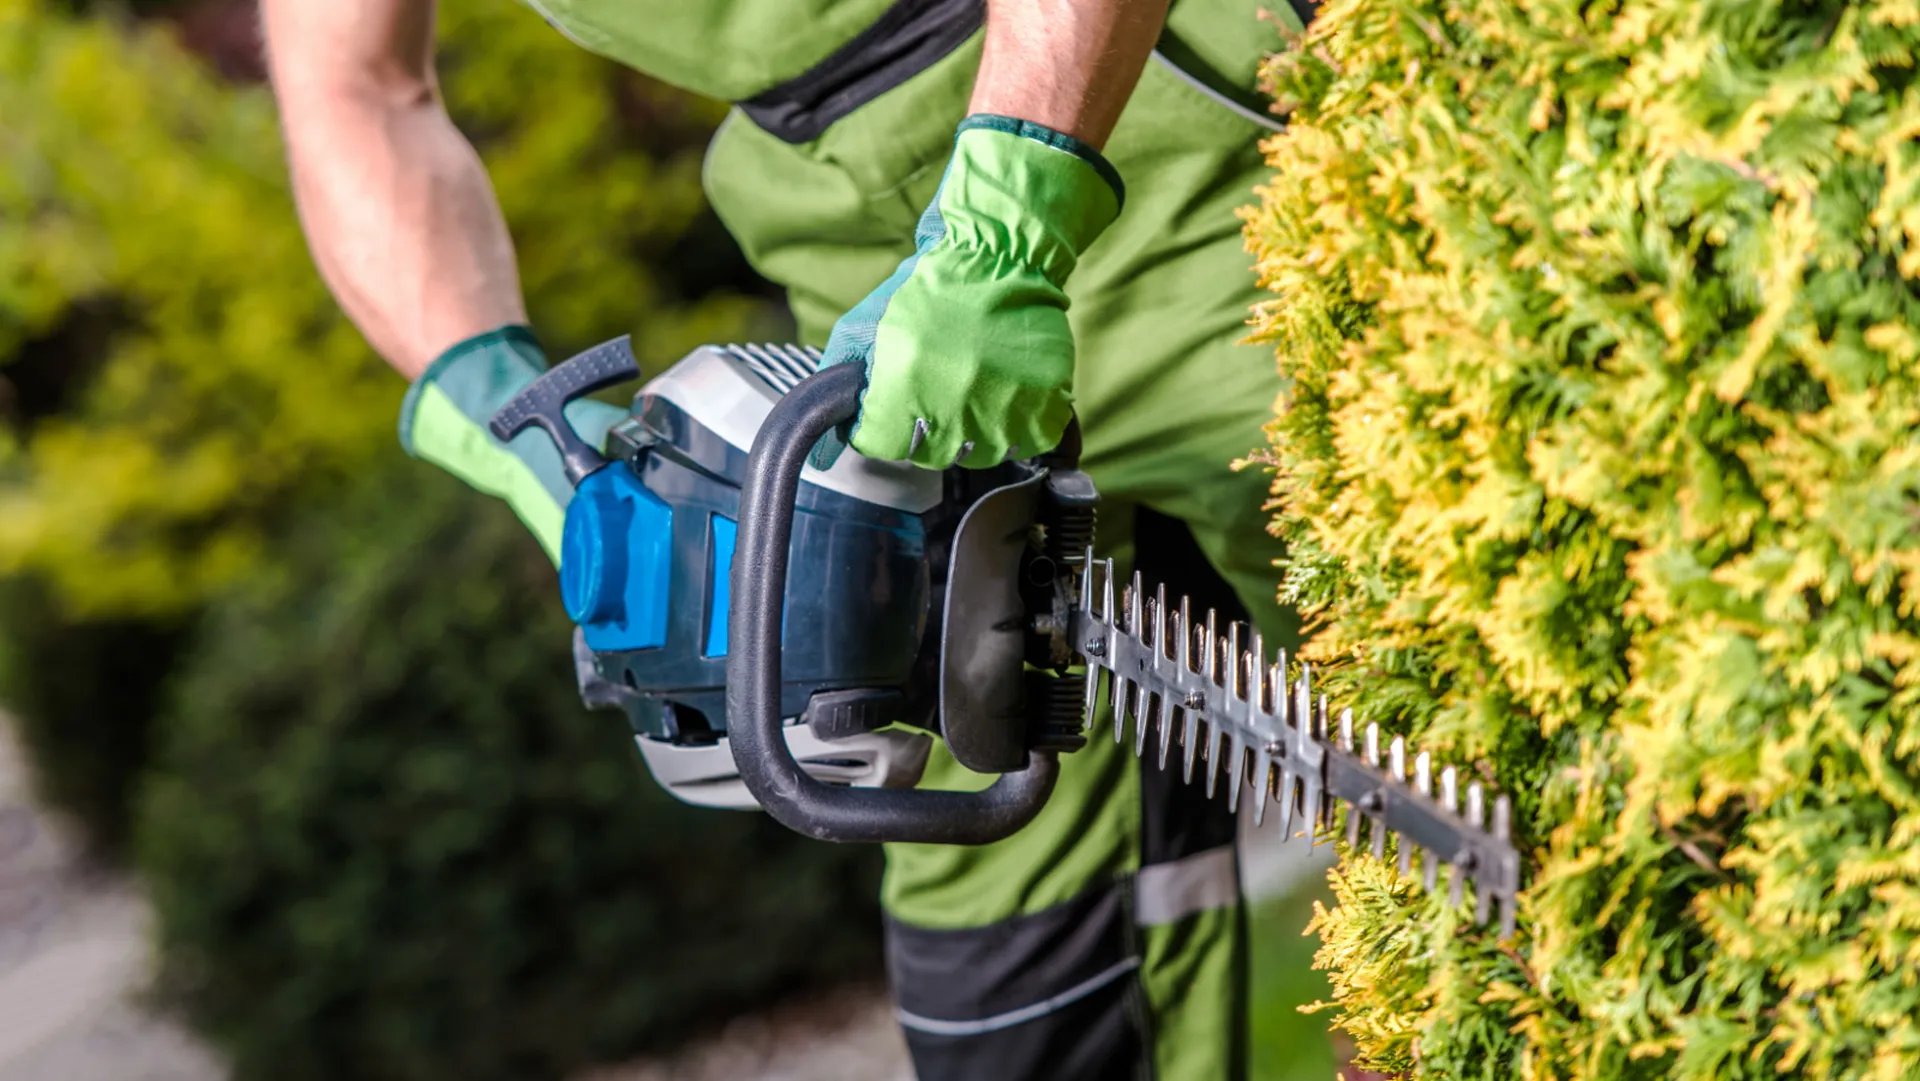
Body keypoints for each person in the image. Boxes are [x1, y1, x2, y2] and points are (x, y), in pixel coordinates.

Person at [258, 0, 1321, 1077]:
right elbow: (353, 84)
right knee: (1004, 994)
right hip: (852, 266)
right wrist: (505, 419)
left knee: (1448, 732)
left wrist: (1007, 222)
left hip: (1198, 137)